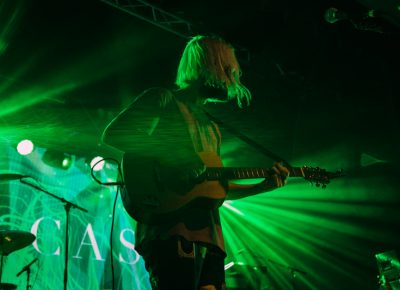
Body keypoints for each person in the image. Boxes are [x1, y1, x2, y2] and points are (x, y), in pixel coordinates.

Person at [101, 35, 289, 290]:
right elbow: (116, 134)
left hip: (210, 238)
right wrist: (175, 155)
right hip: (169, 232)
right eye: (227, 69)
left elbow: (214, 188)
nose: (232, 79)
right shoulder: (162, 99)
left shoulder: (212, 127)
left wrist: (262, 186)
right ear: (206, 66)